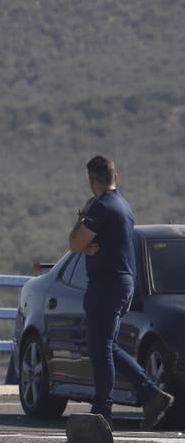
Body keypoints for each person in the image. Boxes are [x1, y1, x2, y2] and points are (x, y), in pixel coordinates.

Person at [68, 155, 174, 429]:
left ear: (92, 180)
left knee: (100, 349)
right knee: (108, 345)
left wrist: (83, 214)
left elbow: (75, 244)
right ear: (116, 177)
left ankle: (102, 410)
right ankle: (151, 394)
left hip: (105, 286)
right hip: (123, 284)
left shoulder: (101, 207)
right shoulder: (124, 206)